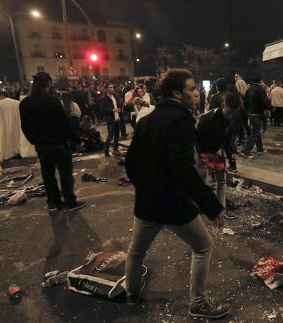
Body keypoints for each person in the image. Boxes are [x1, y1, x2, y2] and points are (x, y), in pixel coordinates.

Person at [124, 69, 230, 319]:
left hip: (148, 202)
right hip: (173, 204)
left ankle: (131, 294)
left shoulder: (147, 119)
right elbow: (184, 170)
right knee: (203, 246)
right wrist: (212, 205)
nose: (196, 93)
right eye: (192, 89)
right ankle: (199, 303)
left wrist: (145, 187)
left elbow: (130, 162)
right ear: (176, 94)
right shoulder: (180, 122)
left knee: (136, 251)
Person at [20, 72, 86, 212]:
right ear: (48, 84)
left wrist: (33, 140)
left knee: (48, 174)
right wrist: (77, 139)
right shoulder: (52, 101)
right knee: (65, 174)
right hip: (58, 143)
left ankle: (53, 203)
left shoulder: (25, 103)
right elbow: (64, 123)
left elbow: (25, 126)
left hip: (41, 145)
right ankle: (70, 201)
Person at [196, 92, 240, 216]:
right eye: (229, 112)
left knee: (221, 180)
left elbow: (229, 138)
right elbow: (197, 140)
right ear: (222, 105)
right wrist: (204, 158)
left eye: (233, 113)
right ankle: (200, 207)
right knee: (202, 179)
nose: (230, 116)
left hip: (216, 151)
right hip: (203, 150)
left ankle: (221, 209)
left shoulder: (234, 116)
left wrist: (232, 153)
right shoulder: (206, 119)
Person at [241, 76, 271, 158]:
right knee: (255, 132)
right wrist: (270, 108)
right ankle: (246, 151)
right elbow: (265, 102)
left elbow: (245, 102)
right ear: (260, 81)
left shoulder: (249, 89)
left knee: (256, 131)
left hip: (250, 113)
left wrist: (247, 110)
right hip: (257, 114)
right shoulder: (260, 90)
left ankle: (260, 149)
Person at [100, 84, 123, 157]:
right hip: (111, 119)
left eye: (113, 87)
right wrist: (112, 110)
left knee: (117, 135)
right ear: (107, 89)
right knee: (110, 136)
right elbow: (103, 110)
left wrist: (120, 109)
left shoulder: (115, 96)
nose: (112, 88)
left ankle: (115, 150)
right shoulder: (104, 98)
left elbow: (118, 105)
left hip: (117, 118)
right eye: (110, 87)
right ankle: (106, 151)